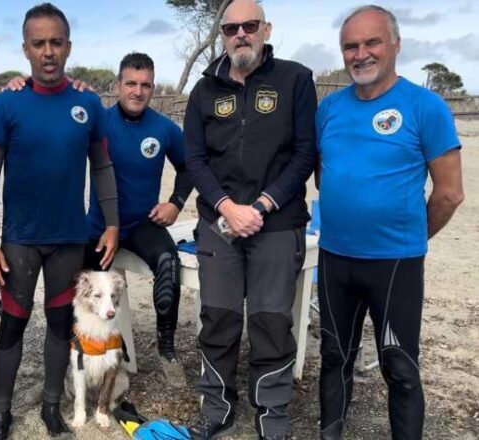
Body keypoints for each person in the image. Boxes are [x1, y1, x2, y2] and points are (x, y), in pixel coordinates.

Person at [316, 6, 463, 439]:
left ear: (395, 44)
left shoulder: (425, 106)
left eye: (371, 42)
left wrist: (410, 235)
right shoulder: (329, 109)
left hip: (395, 264)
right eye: (350, 46)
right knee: (334, 357)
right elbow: (325, 175)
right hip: (335, 258)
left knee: (399, 366)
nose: (360, 54)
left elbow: (450, 193)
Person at [0, 3, 119, 438]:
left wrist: (111, 222)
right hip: (20, 240)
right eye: (38, 43)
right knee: (13, 321)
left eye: (56, 42)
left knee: (60, 325)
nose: (48, 51)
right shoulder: (6, 104)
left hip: (69, 239)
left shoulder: (87, 103)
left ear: (68, 46)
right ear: (25, 49)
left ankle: (51, 407)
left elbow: (102, 167)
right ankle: (1, 414)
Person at [183, 0, 317, 438]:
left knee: (271, 322)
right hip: (219, 223)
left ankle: (272, 415)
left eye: (250, 26)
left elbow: (303, 155)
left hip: (276, 223)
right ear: (222, 35)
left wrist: (260, 206)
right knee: (218, 318)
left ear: (266, 29)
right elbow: (195, 159)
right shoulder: (204, 90)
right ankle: (217, 407)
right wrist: (226, 206)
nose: (240, 34)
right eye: (231, 28)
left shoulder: (295, 79)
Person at [83, 52, 192, 383]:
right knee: (83, 289)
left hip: (143, 223)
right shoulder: (98, 122)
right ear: (118, 85)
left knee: (168, 264)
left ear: (153, 88)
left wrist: (175, 202)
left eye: (145, 85)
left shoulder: (164, 129)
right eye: (131, 83)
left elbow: (191, 168)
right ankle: (94, 352)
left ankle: (167, 349)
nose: (137, 91)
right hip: (101, 226)